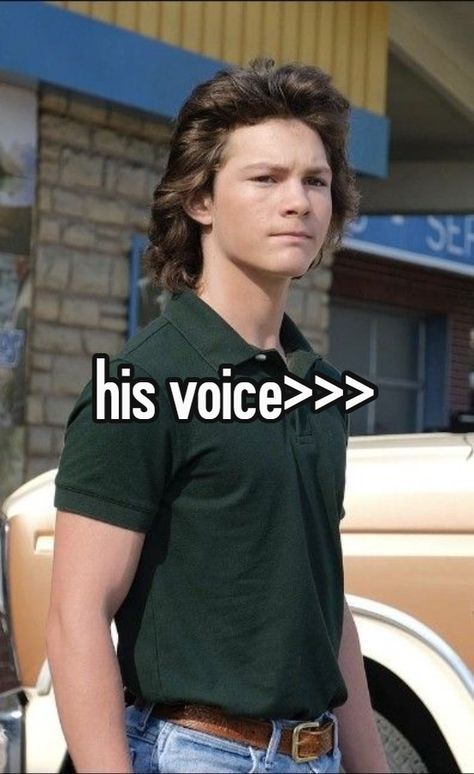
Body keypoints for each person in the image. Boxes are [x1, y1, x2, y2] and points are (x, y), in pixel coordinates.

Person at [47, 58, 390, 773]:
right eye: (266, 179)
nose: (297, 201)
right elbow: (77, 617)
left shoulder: (320, 389)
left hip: (316, 752)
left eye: (315, 181)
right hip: (195, 755)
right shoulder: (145, 382)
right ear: (200, 200)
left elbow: (326, 611)